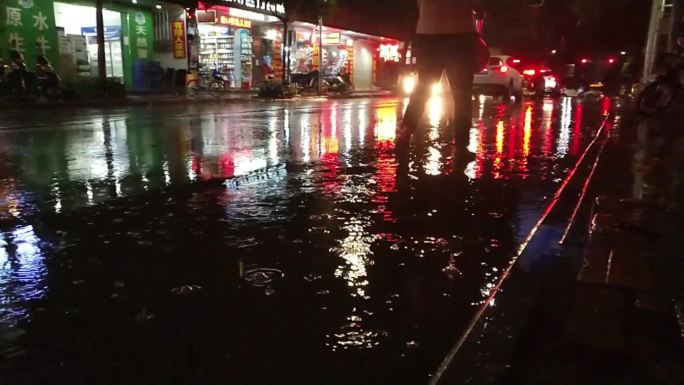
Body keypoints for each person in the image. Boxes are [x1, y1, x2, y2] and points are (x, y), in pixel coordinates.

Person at [397, 0, 481, 160]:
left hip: (428, 32)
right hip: (460, 33)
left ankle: (406, 132)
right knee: (462, 93)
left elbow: (415, 7)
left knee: (424, 86)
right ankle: (461, 146)